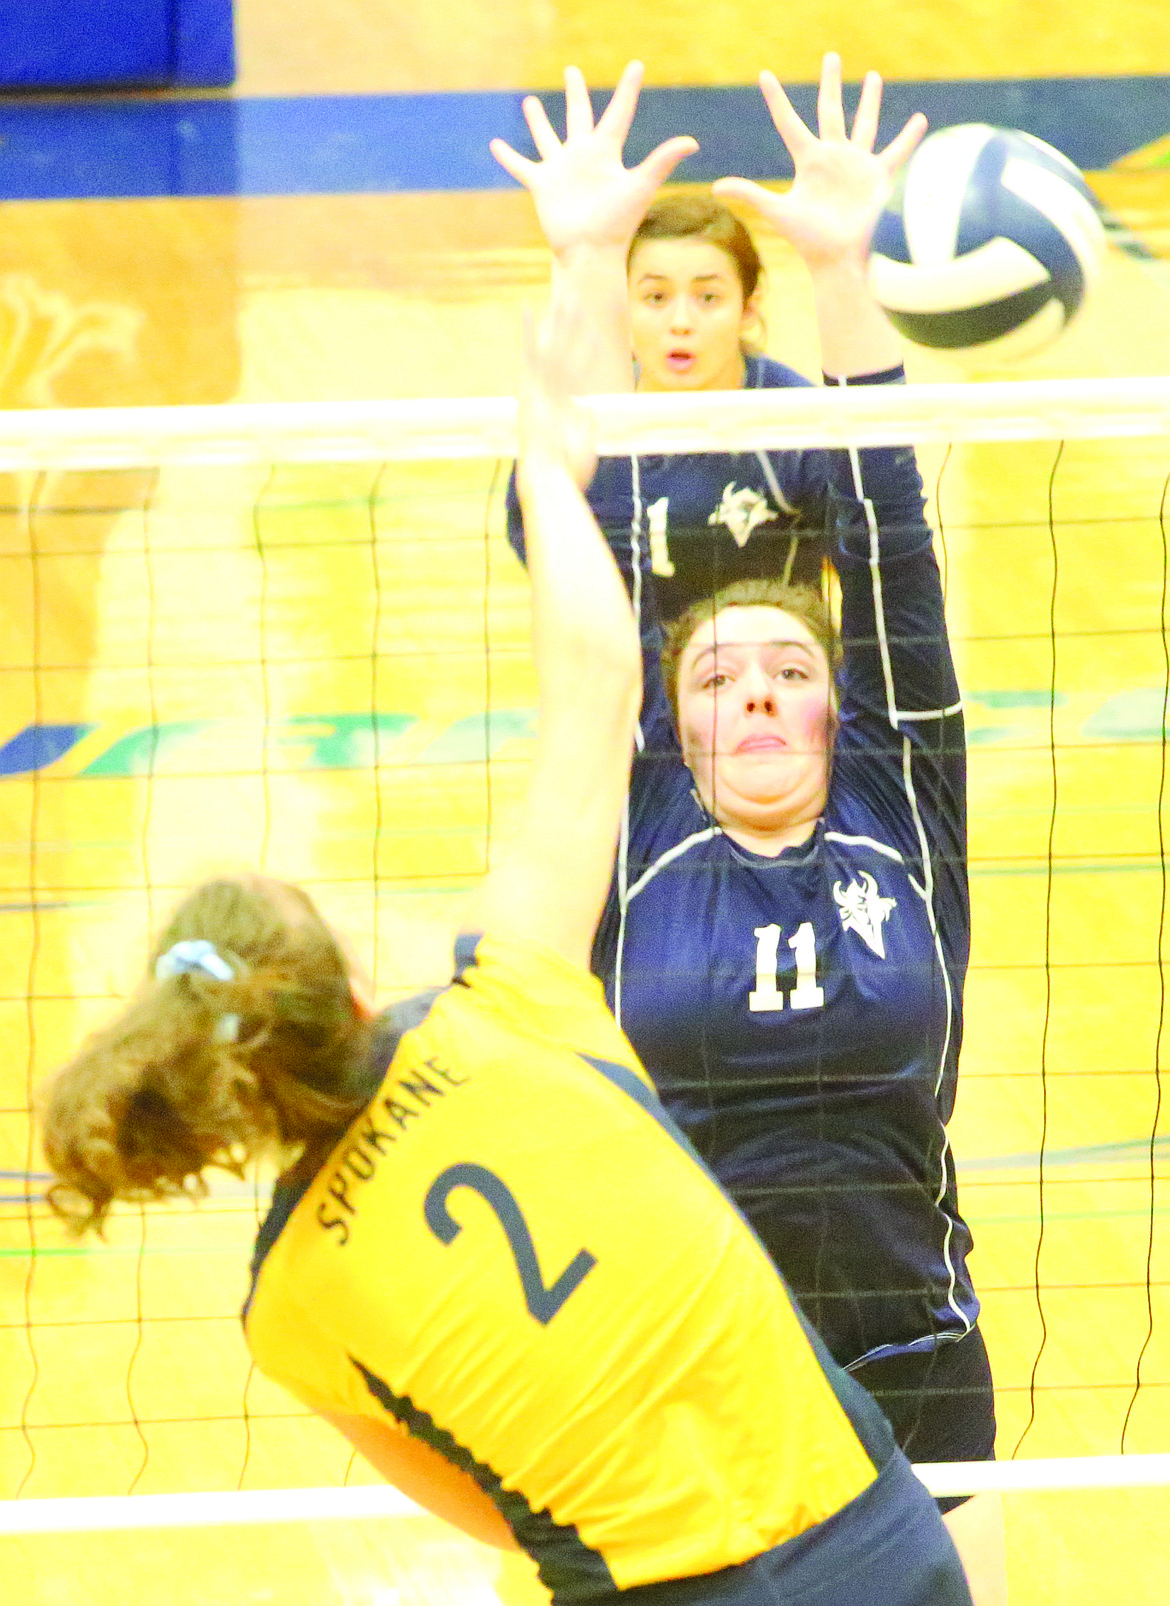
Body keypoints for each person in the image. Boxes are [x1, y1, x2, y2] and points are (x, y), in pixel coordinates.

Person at [39, 310, 972, 1606]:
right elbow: (597, 676)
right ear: (353, 983)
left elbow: (489, 1509)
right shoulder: (506, 1002)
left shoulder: (286, 1307)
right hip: (867, 1542)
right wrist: (546, 455)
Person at [491, 59, 1007, 1606]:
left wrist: (843, 276)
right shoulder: (636, 815)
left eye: (795, 668)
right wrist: (583, 264)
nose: (763, 693)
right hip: (681, 1343)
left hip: (910, 1348)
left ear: (842, 706)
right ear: (672, 712)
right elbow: (556, 512)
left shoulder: (899, 805)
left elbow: (889, 533)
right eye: (720, 674)